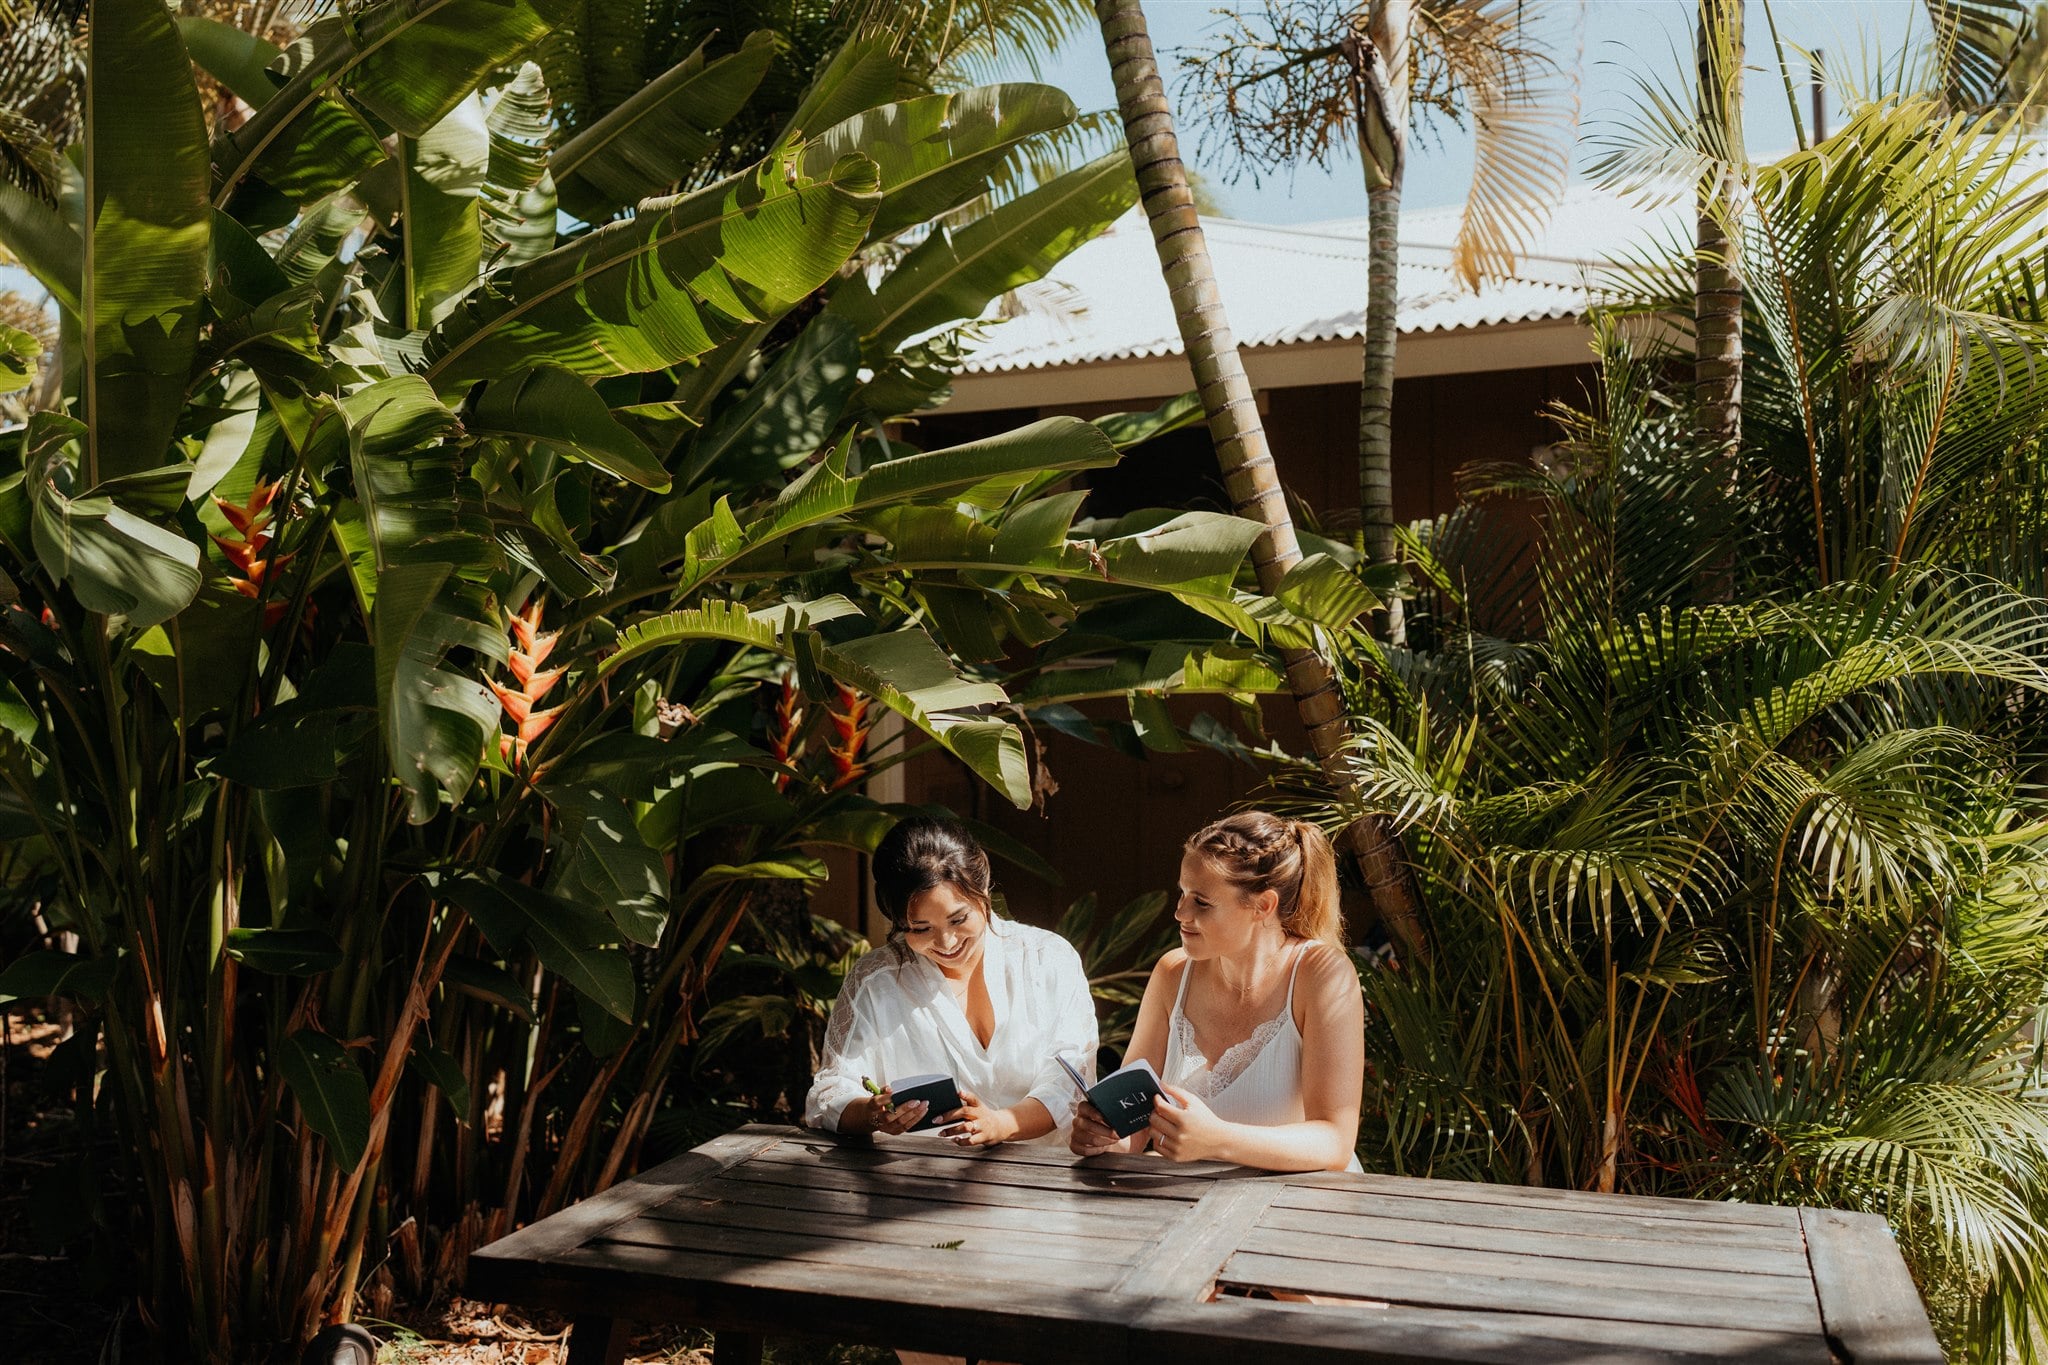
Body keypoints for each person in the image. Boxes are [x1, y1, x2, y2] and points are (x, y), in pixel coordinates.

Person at [1070, 811, 1364, 1172]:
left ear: (1263, 906)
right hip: (1190, 1207)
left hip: (1301, 1211)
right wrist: (1106, 1136)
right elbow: (1136, 1124)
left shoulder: (1320, 974)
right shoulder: (1172, 973)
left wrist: (1218, 1140)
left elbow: (1334, 1141)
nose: (1180, 912)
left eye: (1201, 902)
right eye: (1183, 893)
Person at [805, 815, 1098, 1147]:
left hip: (1047, 1184)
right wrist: (875, 1114)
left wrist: (1001, 1124)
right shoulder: (876, 981)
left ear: (983, 884)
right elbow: (828, 1095)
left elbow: (1071, 1084)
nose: (946, 943)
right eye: (920, 929)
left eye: (959, 919)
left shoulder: (1049, 960)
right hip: (920, 1186)